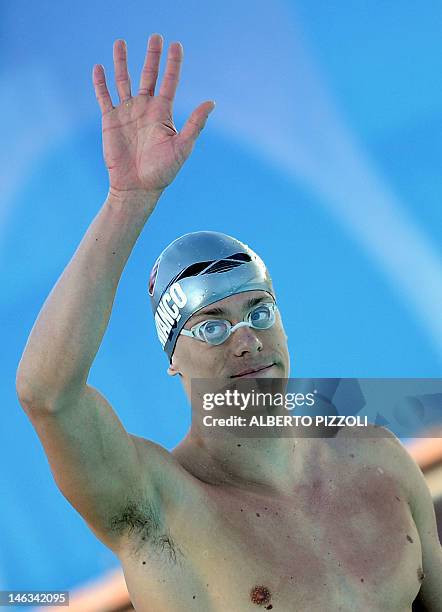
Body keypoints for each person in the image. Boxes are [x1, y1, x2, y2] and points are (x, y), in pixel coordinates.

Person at [16, 34, 441, 612]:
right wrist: (127, 201)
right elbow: (47, 395)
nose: (247, 339)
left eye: (259, 313)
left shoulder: (378, 458)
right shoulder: (159, 508)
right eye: (211, 326)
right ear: (172, 357)